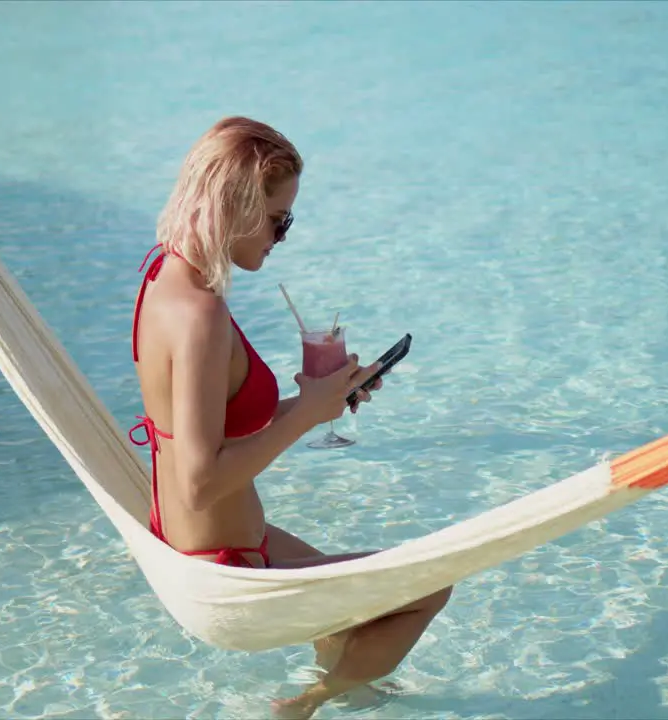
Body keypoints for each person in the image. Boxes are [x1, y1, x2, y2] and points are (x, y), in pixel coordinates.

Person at [128, 116, 453, 719]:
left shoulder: (164, 279)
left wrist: (320, 400)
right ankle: (307, 703)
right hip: (226, 566)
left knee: (352, 605)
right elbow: (201, 483)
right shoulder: (200, 317)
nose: (283, 236)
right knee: (430, 584)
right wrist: (306, 414)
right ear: (237, 205)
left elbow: (200, 424)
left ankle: (350, 681)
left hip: (199, 543)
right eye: (280, 219)